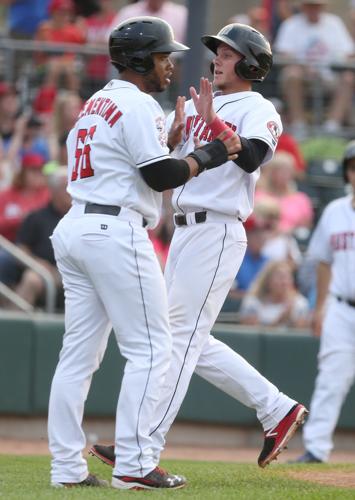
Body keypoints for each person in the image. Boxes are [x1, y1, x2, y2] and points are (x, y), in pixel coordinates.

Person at [90, 22, 308, 474]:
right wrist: (174, 135)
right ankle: (276, 407)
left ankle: (142, 448)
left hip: (218, 228)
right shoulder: (197, 101)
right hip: (186, 230)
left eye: (227, 54)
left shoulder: (257, 105)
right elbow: (165, 162)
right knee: (182, 337)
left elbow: (251, 155)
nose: (217, 59)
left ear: (250, 62)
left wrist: (213, 121)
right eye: (218, 52)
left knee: (177, 341)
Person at [47, 16, 239, 490]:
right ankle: (133, 464)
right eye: (161, 56)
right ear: (138, 60)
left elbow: (127, 164)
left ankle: (66, 469)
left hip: (77, 225)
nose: (169, 65)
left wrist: (167, 144)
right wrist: (208, 155)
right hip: (115, 229)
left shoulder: (95, 104)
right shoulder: (134, 103)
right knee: (153, 349)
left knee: (77, 358)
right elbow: (160, 178)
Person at [292, 140, 355, 463]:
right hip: (342, 308)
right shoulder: (334, 211)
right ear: (347, 172)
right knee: (330, 379)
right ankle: (316, 449)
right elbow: (324, 262)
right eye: (353, 166)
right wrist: (320, 309)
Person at [274, 0, 355, 138]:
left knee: (348, 78)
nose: (313, 9)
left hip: (329, 77)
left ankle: (332, 126)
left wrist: (333, 63)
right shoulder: (291, 24)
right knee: (292, 74)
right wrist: (304, 67)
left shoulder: (334, 23)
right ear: (303, 7)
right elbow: (283, 54)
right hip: (302, 78)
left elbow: (348, 52)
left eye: (317, 5)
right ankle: (299, 124)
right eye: (310, 5)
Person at [13, 166, 70, 309]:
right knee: (31, 279)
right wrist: (37, 263)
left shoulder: (82, 218)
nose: (71, 192)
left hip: (77, 271)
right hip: (47, 272)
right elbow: (21, 250)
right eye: (66, 187)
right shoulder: (36, 217)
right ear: (54, 191)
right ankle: (14, 327)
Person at [239, 260, 311, 328]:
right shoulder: (252, 302)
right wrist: (279, 321)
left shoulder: (300, 304)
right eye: (280, 277)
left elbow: (301, 335)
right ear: (268, 281)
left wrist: (292, 319)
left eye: (288, 278)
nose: (284, 282)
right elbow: (252, 336)